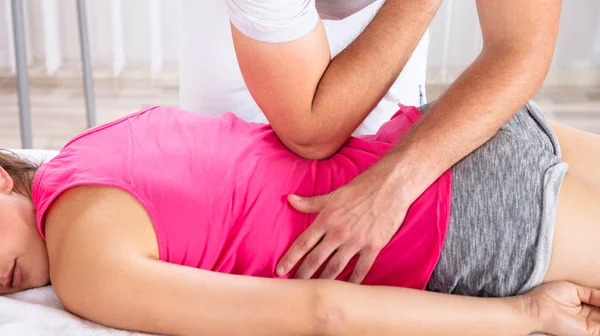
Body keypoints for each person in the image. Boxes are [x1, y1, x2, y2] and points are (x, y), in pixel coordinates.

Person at [1, 100, 599, 336]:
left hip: (470, 223)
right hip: (461, 131)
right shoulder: (95, 141)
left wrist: (528, 315)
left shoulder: (86, 267)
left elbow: (322, 312)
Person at [180, 0, 564, 283]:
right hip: (256, 165)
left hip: (410, 147)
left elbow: (520, 44)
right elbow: (309, 131)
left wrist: (398, 180)